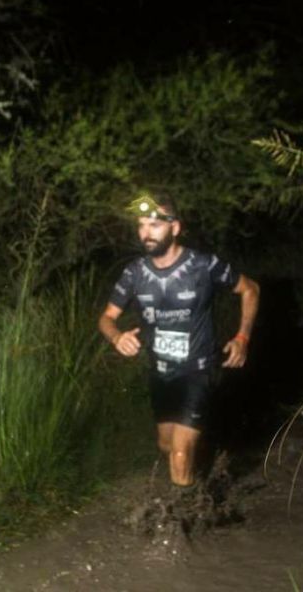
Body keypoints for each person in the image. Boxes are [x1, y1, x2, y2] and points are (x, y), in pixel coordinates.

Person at [98, 194, 260, 488]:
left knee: (180, 453)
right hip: (160, 373)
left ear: (175, 228)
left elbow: (251, 289)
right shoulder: (134, 273)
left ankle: (181, 525)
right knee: (167, 445)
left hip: (198, 370)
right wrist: (116, 336)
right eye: (142, 225)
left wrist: (242, 337)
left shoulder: (203, 265)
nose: (146, 232)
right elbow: (106, 318)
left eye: (155, 225)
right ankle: (203, 474)